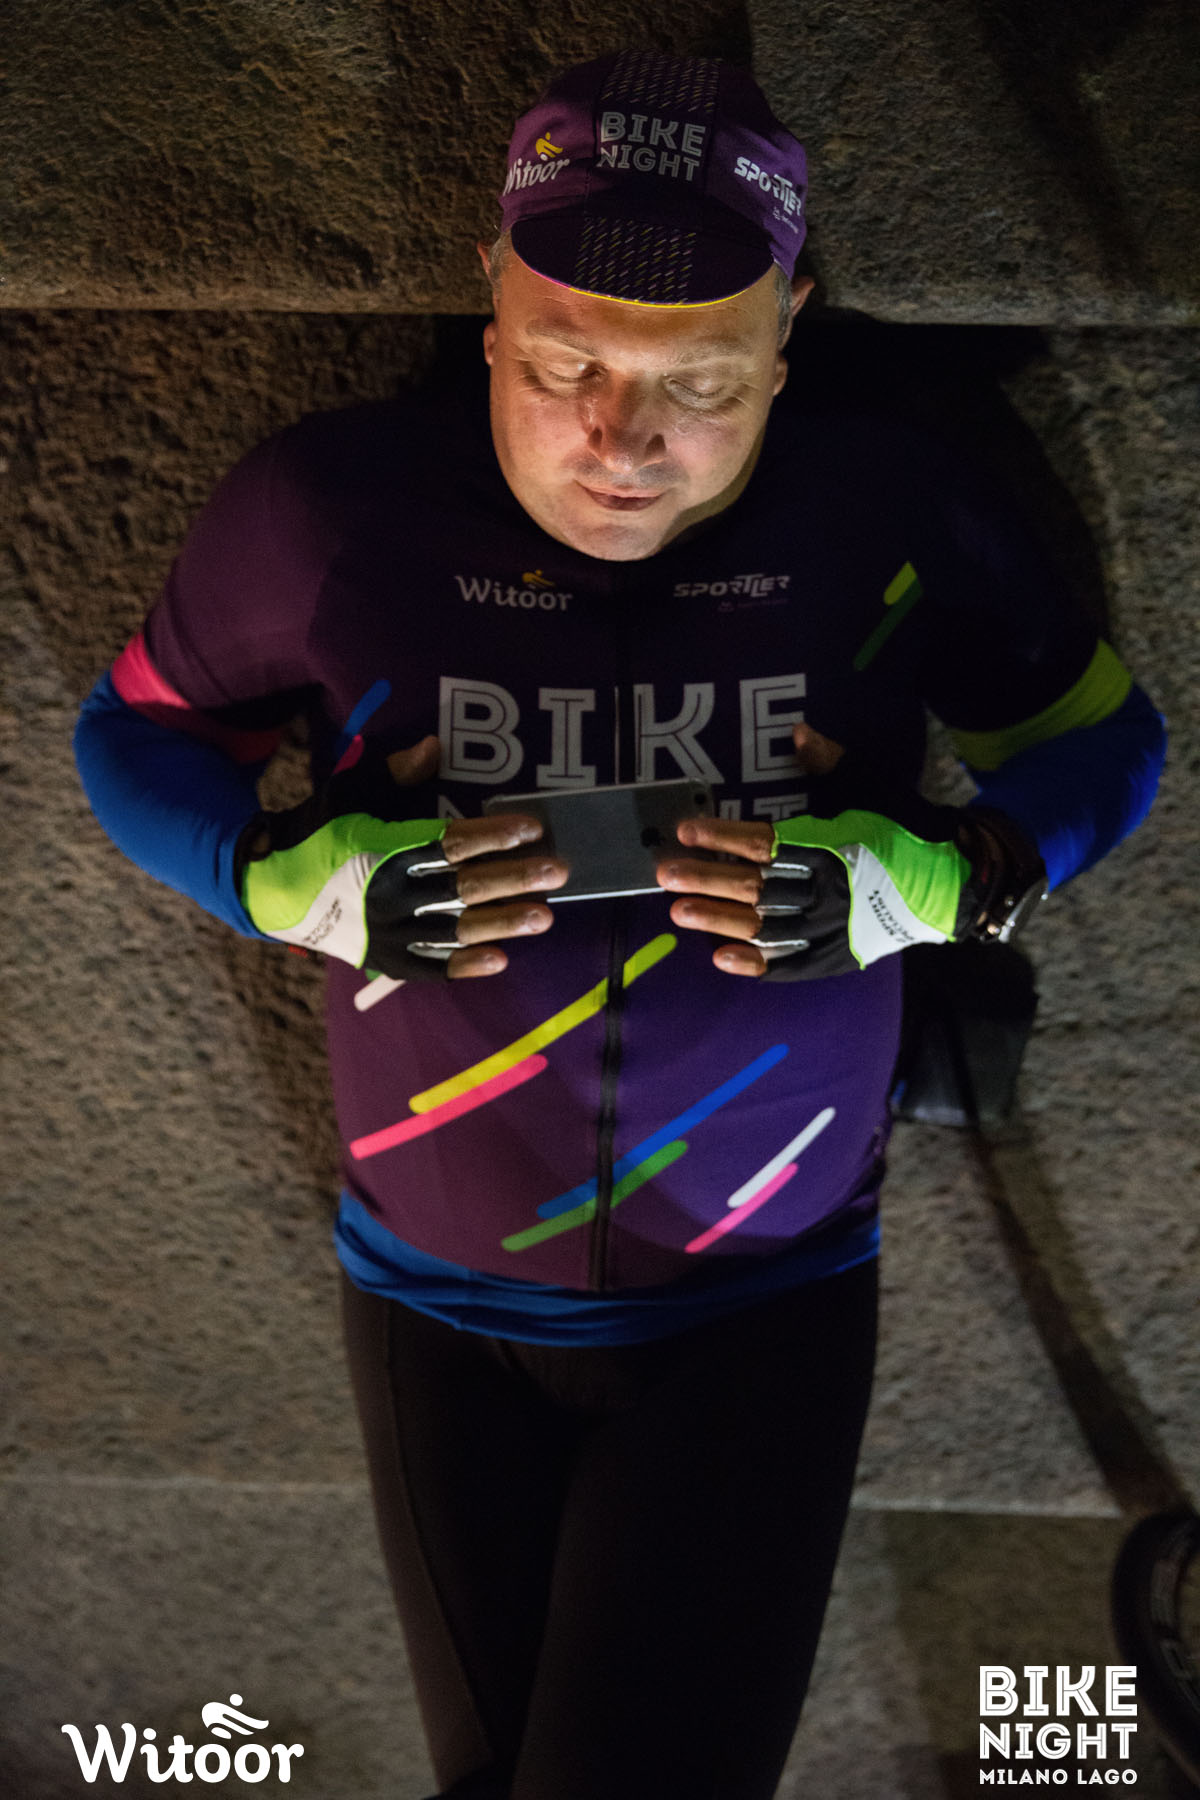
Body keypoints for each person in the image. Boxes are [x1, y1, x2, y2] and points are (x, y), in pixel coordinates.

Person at [74, 48, 1166, 1800]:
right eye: (564, 361)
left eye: (700, 383)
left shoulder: (886, 509)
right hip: (423, 1293)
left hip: (758, 1307)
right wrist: (273, 877)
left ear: (788, 335)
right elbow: (131, 737)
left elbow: (1105, 746)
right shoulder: (333, 513)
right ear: (489, 306)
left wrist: (952, 879)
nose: (620, 439)